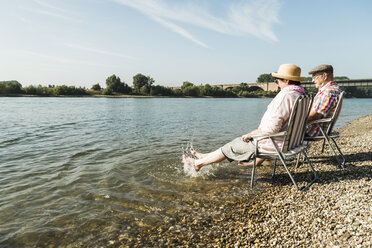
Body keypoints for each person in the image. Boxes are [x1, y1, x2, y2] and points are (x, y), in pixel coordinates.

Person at [183, 64, 306, 172]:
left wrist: (251, 134)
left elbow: (272, 128)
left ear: (285, 80)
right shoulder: (300, 96)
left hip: (274, 143)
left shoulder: (285, 96)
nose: (276, 84)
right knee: (235, 143)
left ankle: (197, 164)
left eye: (277, 81)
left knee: (233, 145)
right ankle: (205, 157)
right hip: (290, 142)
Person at [306, 64, 343, 136]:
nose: (313, 80)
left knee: (283, 128)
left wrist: (296, 122)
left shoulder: (328, 92)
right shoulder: (334, 90)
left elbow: (315, 116)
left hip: (314, 131)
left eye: (315, 77)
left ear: (325, 76)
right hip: (319, 129)